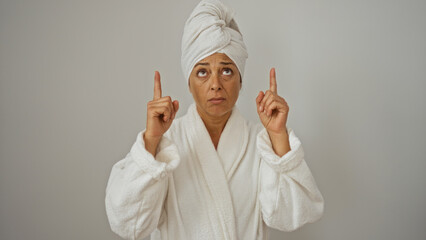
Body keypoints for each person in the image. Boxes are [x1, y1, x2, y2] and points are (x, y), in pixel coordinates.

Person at [105, 0, 324, 239]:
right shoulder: (165, 144)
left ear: (240, 80)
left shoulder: (260, 144)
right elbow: (127, 222)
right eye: (202, 72)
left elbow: (293, 215)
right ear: (189, 83)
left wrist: (279, 137)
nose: (216, 85)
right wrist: (151, 141)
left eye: (227, 70)